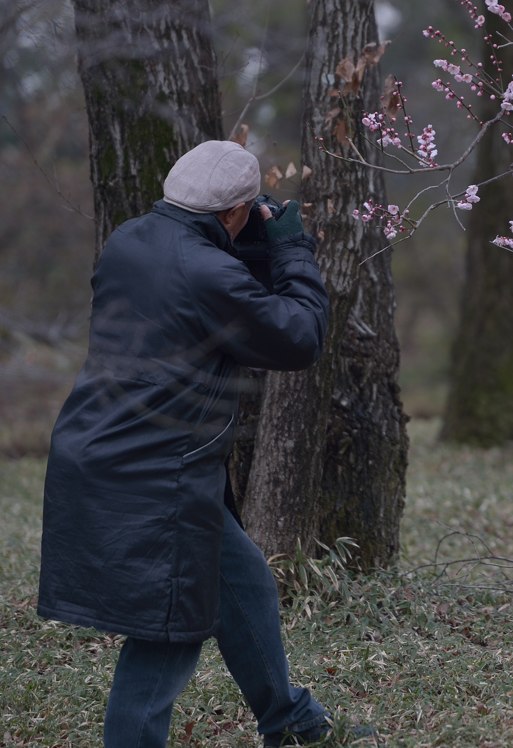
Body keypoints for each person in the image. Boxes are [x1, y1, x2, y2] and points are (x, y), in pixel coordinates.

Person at [37, 141, 363, 747]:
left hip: (108, 448)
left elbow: (210, 296)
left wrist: (254, 242)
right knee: (168, 634)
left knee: (245, 583)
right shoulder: (208, 271)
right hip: (158, 472)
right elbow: (299, 337)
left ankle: (289, 721)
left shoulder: (129, 240)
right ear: (235, 211)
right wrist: (291, 249)